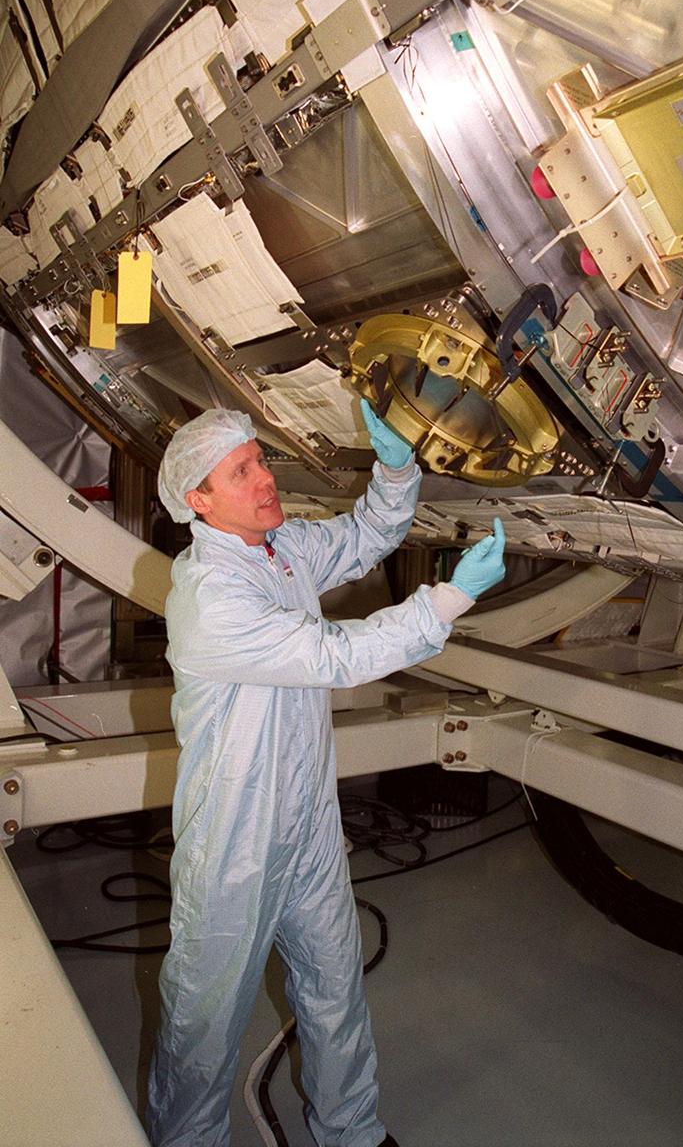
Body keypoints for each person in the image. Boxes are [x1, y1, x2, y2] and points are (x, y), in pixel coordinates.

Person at [147, 399, 506, 1147]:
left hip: (308, 821)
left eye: (260, 460)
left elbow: (365, 535)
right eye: (240, 472)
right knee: (204, 1027)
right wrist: (447, 599)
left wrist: (396, 470)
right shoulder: (212, 597)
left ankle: (352, 1132)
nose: (264, 479)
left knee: (334, 989)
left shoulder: (278, 549)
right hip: (234, 842)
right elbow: (336, 656)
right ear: (199, 501)